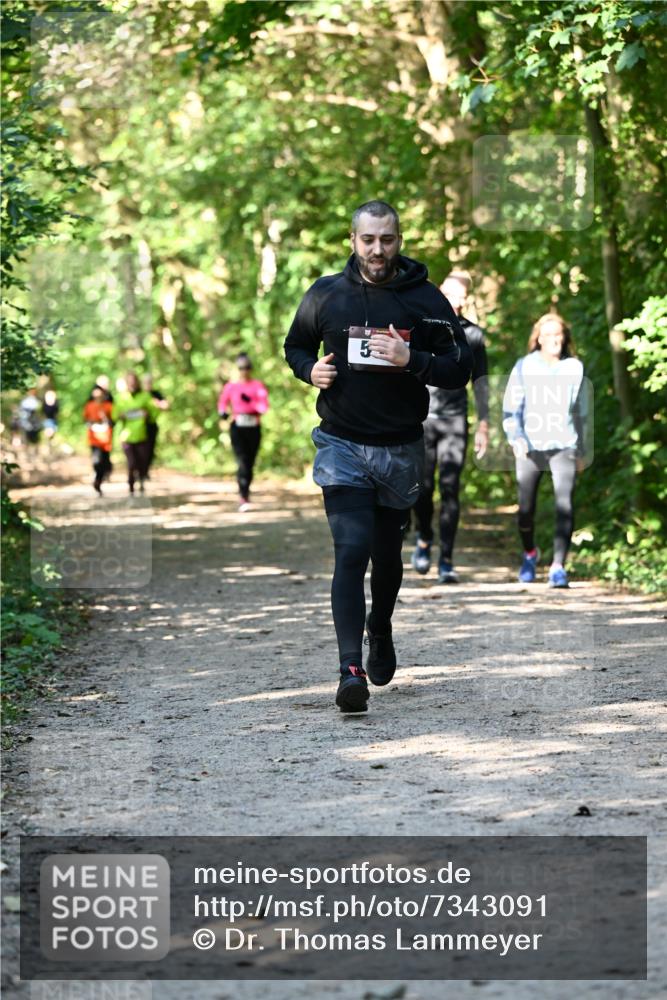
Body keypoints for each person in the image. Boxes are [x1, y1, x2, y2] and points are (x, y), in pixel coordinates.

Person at [284, 199, 472, 713]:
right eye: (368, 239)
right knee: (351, 549)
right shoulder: (326, 294)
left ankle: (380, 627)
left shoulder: (426, 298)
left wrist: (415, 360)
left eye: (386, 239)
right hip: (341, 442)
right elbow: (295, 345)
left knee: (387, 558)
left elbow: (462, 364)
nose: (377, 249)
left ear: (399, 239)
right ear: (353, 240)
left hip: (401, 449)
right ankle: (349, 671)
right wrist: (309, 372)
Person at [411, 271, 489, 582]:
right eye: (450, 294)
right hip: (423, 416)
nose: (455, 302)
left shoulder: (473, 335)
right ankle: (424, 536)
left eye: (461, 297)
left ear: (467, 300)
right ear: (439, 292)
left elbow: (481, 381)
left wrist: (484, 425)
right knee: (423, 487)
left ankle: (446, 560)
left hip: (456, 419)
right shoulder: (422, 326)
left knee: (450, 489)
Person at [502, 312, 587, 589]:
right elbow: (511, 409)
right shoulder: (524, 366)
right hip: (530, 447)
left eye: (559, 334)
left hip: (565, 445)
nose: (555, 340)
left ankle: (558, 567)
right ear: (538, 338)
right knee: (525, 509)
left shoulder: (574, 367)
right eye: (549, 335)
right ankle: (530, 554)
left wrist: (583, 449)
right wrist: (516, 438)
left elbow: (582, 412)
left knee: (565, 504)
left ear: (565, 338)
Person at [218, 354, 269, 512]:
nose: (244, 371)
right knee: (242, 461)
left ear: (250, 369)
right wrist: (223, 413)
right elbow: (222, 403)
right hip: (237, 427)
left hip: (253, 427)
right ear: (237, 369)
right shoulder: (231, 386)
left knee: (250, 462)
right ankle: (243, 495)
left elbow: (264, 408)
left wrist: (251, 403)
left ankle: (246, 491)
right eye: (241, 368)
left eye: (247, 367)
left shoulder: (257, 386)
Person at [111, 372, 158, 495]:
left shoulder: (145, 396)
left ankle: (141, 479)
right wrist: (120, 416)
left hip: (143, 434)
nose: (132, 384)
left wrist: (148, 414)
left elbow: (154, 412)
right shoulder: (120, 398)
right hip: (127, 436)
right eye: (129, 382)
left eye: (134, 381)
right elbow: (114, 415)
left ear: (137, 382)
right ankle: (131, 485)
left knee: (142, 461)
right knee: (131, 462)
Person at [83, 386, 113, 495]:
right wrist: (90, 422)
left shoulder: (108, 406)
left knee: (104, 462)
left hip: (105, 439)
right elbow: (85, 420)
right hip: (94, 438)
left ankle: (99, 480)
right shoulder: (89, 406)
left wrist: (105, 418)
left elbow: (112, 421)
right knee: (96, 461)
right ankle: (97, 480)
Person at [141, 373, 169, 476]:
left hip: (151, 425)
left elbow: (166, 405)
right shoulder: (139, 394)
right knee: (140, 450)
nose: (147, 384)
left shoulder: (155, 394)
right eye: (145, 382)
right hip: (138, 427)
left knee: (150, 450)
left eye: (149, 382)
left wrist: (157, 403)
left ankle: (145, 471)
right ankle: (140, 470)